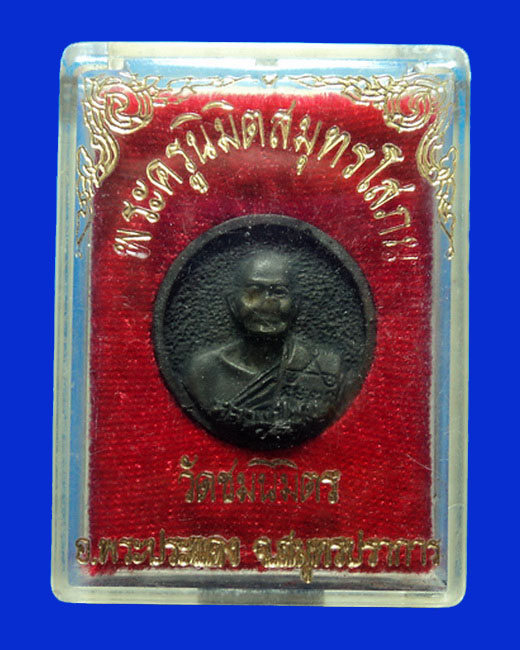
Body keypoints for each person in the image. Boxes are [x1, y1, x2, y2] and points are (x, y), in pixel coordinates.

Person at [183, 249, 343, 440]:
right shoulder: (204, 371)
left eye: (279, 292)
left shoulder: (327, 369)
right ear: (233, 303)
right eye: (254, 292)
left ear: (296, 304)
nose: (267, 304)